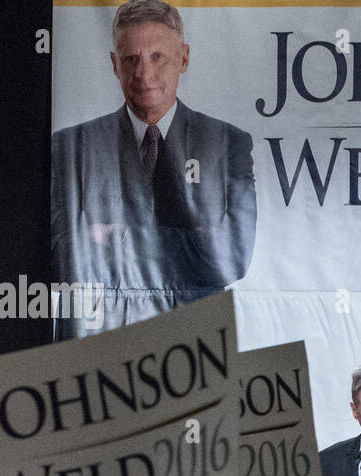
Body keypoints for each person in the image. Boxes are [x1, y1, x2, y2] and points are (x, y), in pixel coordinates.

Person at [50, 0, 257, 334]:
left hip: (193, 344)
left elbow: (231, 256)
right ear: (115, 64)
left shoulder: (227, 143)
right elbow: (61, 252)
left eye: (157, 57)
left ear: (184, 58)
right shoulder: (71, 146)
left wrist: (117, 236)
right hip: (94, 341)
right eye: (131, 59)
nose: (143, 73)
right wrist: (188, 243)